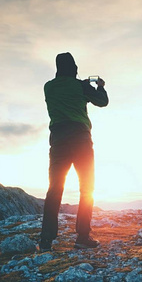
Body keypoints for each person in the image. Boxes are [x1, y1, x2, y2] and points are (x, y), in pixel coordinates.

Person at [39, 52, 108, 251]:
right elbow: (102, 102)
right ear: (74, 68)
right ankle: (82, 237)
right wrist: (99, 86)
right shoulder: (81, 86)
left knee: (55, 189)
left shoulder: (48, 87)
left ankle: (46, 240)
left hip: (58, 140)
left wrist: (81, 85)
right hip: (80, 139)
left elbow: (65, 90)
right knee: (87, 187)